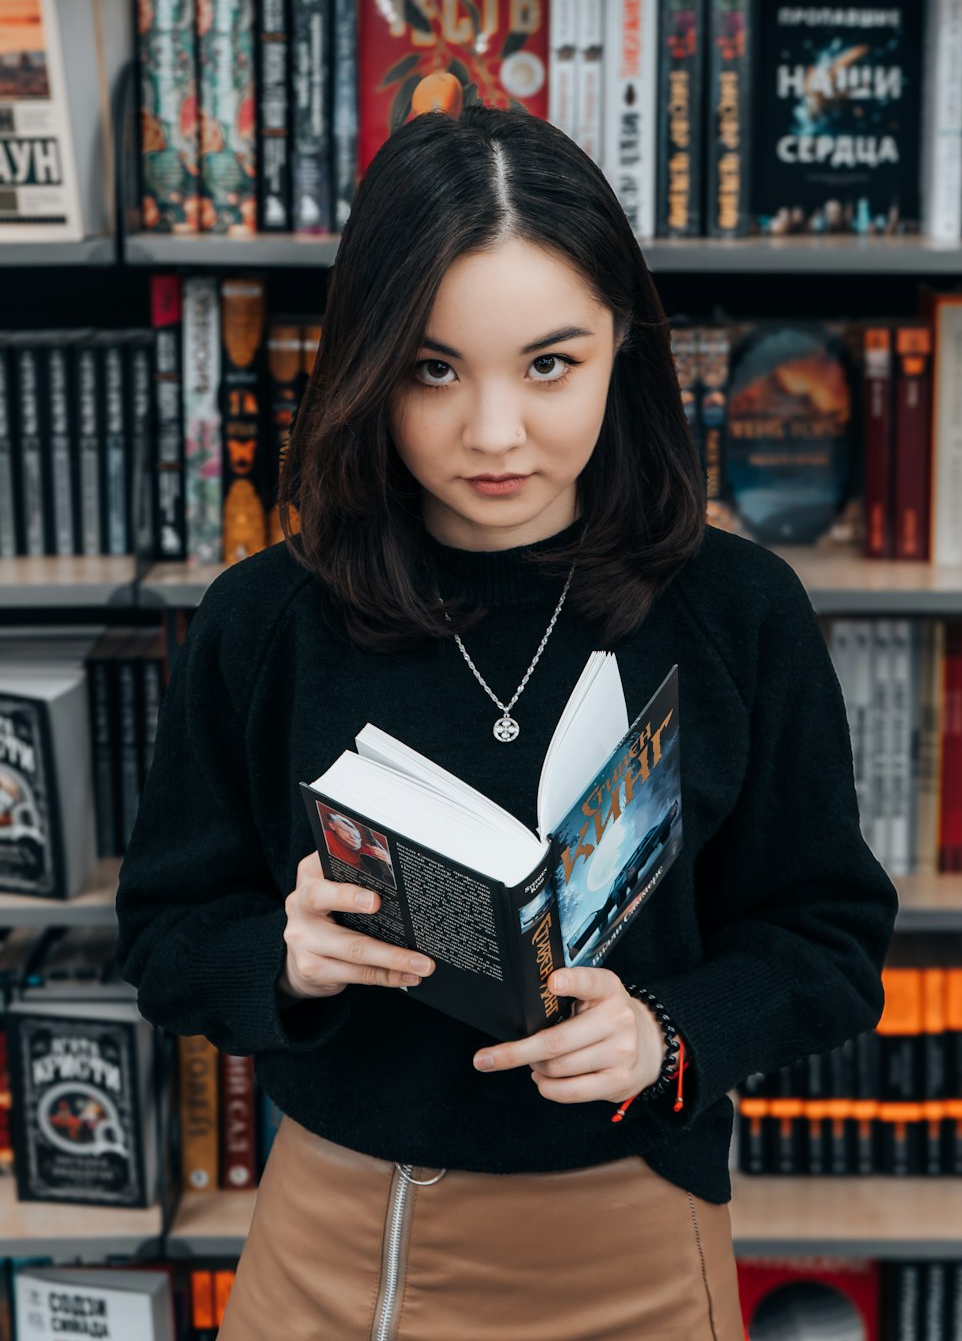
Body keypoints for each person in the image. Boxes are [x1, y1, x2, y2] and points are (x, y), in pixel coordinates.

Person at [114, 104, 899, 1340]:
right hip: (342, 1238)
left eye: (549, 364)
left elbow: (831, 941)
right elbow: (163, 932)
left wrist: (668, 1030)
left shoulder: (738, 609)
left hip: (634, 1230)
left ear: (623, 349)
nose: (493, 434)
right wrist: (284, 960)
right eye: (433, 368)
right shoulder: (269, 617)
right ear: (368, 363)